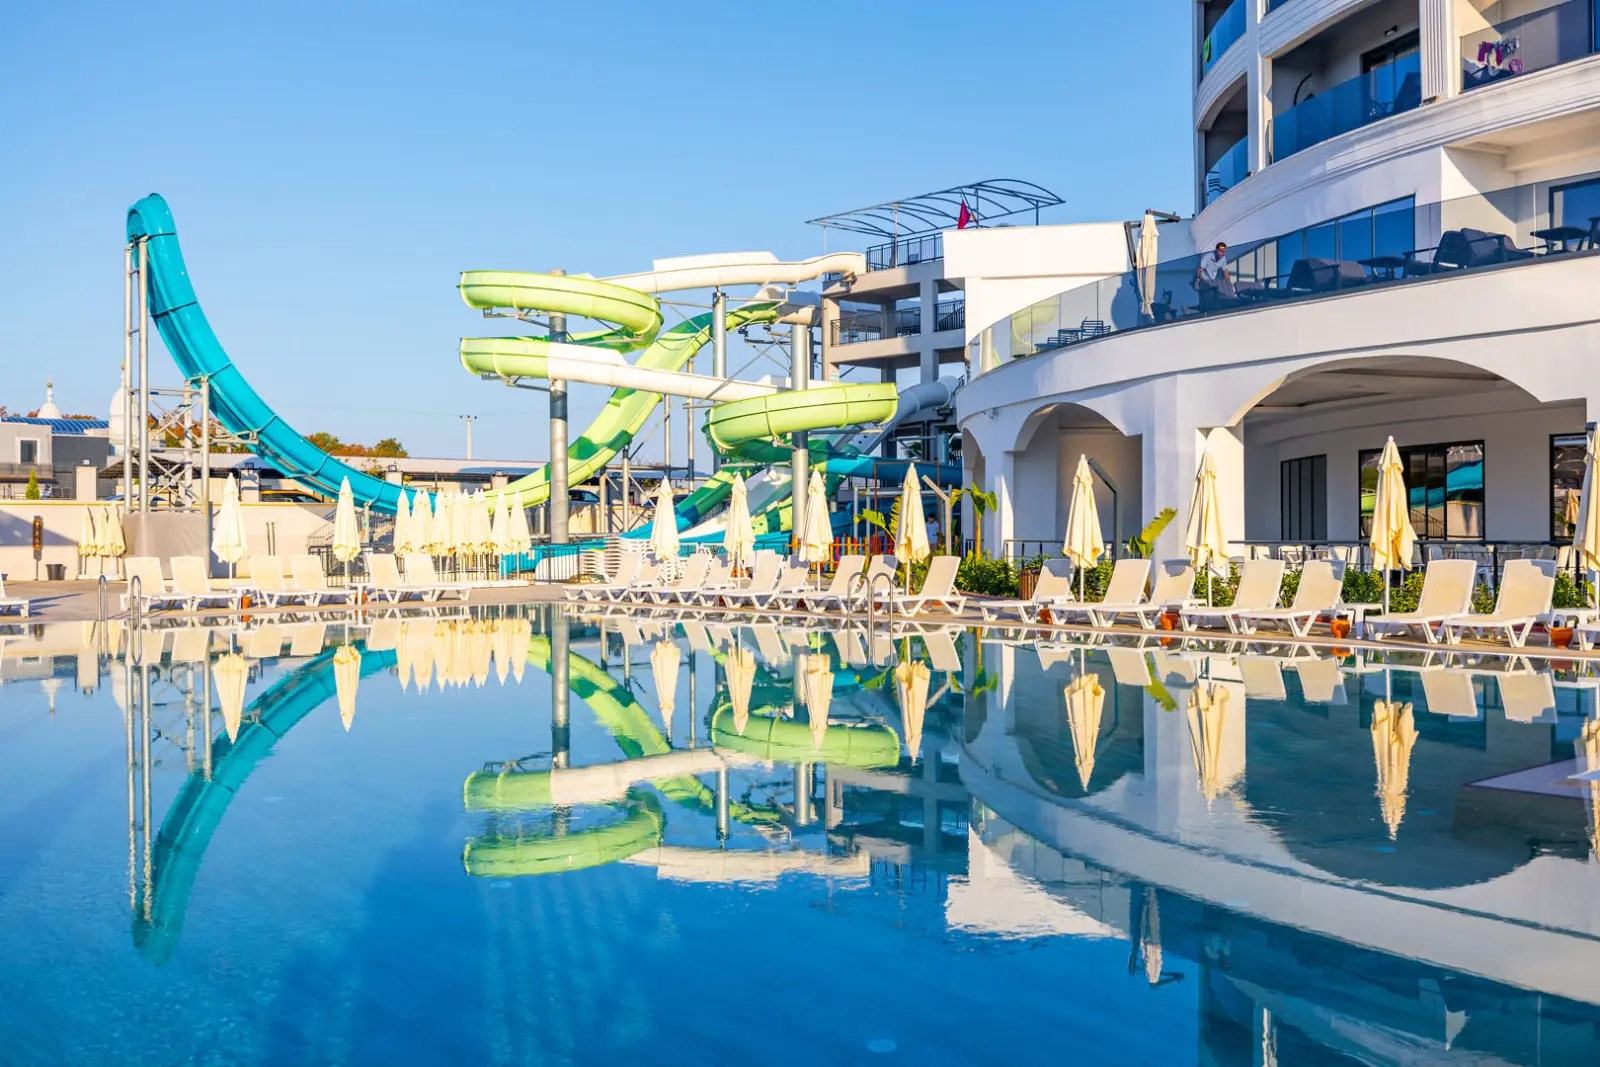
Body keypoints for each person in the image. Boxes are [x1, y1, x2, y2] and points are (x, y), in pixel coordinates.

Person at [1195, 241, 1235, 309]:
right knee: (1206, 300)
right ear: (1216, 250)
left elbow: (1226, 273)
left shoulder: (1223, 259)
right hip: (1202, 281)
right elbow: (1199, 271)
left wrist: (1229, 285)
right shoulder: (1207, 257)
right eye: (1221, 251)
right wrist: (1204, 282)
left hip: (1212, 282)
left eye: (1224, 252)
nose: (1223, 253)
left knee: (1215, 299)